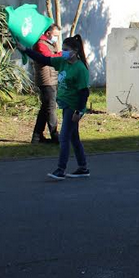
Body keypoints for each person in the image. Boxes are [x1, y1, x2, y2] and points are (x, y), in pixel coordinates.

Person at [22, 35, 91, 180]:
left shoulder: (80, 69)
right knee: (74, 138)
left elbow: (84, 92)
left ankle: (61, 169)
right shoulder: (62, 62)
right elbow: (44, 60)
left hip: (73, 106)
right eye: (62, 49)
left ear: (75, 51)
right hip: (65, 105)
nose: (63, 52)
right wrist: (26, 50)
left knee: (64, 137)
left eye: (66, 50)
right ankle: (83, 167)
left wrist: (79, 111)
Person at [30, 23, 62, 144]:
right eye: (55, 35)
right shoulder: (40, 44)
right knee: (51, 108)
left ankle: (37, 136)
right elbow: (48, 57)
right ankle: (55, 136)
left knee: (45, 108)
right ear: (48, 33)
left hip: (50, 78)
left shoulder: (48, 43)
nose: (56, 38)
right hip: (46, 79)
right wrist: (62, 54)